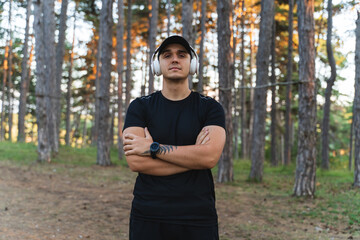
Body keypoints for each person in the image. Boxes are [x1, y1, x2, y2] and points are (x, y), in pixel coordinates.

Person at [123, 35, 226, 240]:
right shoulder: (140, 107)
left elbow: (209, 158)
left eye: (182, 54)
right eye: (167, 55)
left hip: (197, 217)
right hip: (148, 216)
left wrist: (154, 149)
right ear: (157, 65)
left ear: (192, 63)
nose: (175, 59)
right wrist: (194, 158)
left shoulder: (210, 108)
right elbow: (135, 162)